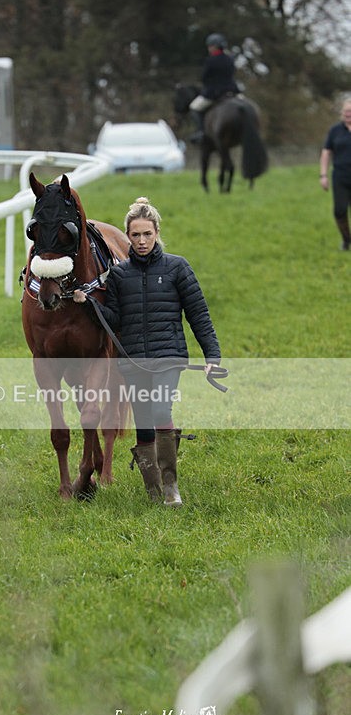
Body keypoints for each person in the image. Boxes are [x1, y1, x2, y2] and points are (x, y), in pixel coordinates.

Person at [73, 197, 221, 507]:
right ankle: (153, 492)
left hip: (168, 357)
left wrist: (212, 358)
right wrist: (90, 305)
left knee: (159, 412)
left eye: (147, 234)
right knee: (143, 426)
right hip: (133, 362)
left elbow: (199, 314)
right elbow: (114, 319)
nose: (141, 241)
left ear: (156, 233)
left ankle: (170, 487)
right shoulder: (119, 275)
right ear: (128, 236)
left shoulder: (177, 268)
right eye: (135, 235)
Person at [189, 32, 240, 143]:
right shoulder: (230, 59)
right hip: (232, 91)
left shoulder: (210, 60)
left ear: (214, 46)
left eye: (210, 46)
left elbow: (204, 78)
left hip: (214, 93)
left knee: (194, 108)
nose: (209, 48)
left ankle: (201, 131)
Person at [319, 97, 351, 250]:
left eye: (350, 111)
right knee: (339, 210)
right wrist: (323, 175)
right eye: (345, 111)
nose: (348, 114)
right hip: (340, 177)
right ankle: (346, 240)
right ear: (341, 113)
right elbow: (326, 152)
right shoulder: (335, 130)